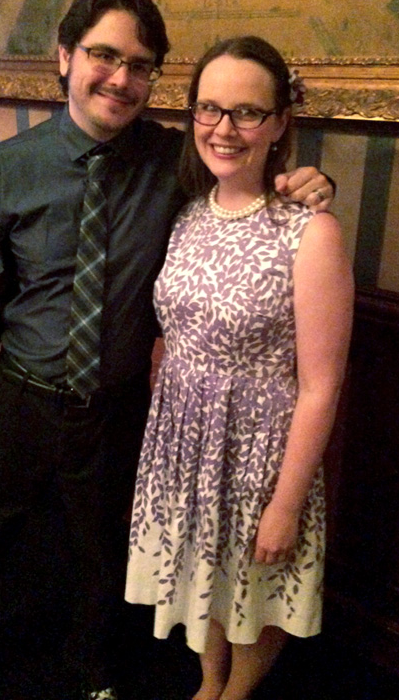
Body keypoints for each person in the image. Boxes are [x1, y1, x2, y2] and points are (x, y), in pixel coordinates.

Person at [0, 0, 334, 700]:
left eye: (142, 64)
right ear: (65, 57)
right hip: (21, 396)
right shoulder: (9, 166)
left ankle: (90, 671)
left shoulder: (172, 160)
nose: (122, 78)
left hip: (118, 406)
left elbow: (244, 174)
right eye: (105, 55)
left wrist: (312, 182)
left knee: (103, 556)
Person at [125, 35, 354, 700]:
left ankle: (237, 692)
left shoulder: (311, 232)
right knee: (207, 573)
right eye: (209, 108)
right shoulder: (190, 213)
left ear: (281, 121)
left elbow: (321, 386)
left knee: (255, 584)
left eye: (248, 112)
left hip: (259, 452)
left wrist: (285, 504)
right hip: (185, 440)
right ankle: (209, 679)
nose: (224, 128)